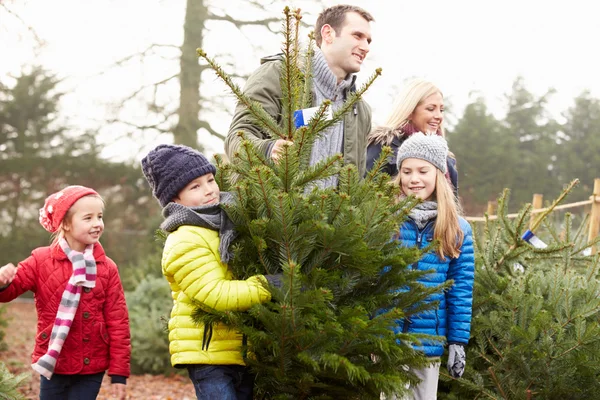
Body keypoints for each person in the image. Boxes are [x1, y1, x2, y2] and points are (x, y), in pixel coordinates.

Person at [141, 144, 279, 400]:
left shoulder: (226, 222)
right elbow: (214, 294)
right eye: (195, 186)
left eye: (210, 180)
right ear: (174, 199)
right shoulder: (185, 238)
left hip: (240, 349)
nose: (209, 190)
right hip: (208, 353)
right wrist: (267, 285)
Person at [0, 185, 130, 400]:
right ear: (66, 224)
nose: (97, 223)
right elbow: (8, 293)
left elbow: (118, 322)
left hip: (92, 364)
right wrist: (3, 282)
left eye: (99, 216)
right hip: (55, 361)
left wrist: (119, 373)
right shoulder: (40, 261)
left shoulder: (107, 268)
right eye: (88, 218)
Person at [225, 4, 374, 188]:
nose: (365, 47)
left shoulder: (360, 111)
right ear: (328, 34)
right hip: (273, 214)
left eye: (368, 40)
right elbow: (237, 137)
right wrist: (268, 150)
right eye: (357, 36)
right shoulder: (279, 75)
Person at [391, 133, 474, 399]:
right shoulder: (387, 221)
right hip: (389, 344)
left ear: (439, 173)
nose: (414, 178)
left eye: (422, 170)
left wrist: (458, 342)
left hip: (428, 346)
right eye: (407, 171)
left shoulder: (458, 229)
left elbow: (460, 291)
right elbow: (373, 281)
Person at [366, 78, 459, 196]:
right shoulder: (383, 147)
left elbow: (453, 205)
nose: (439, 116)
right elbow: (368, 197)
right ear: (410, 111)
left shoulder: (446, 159)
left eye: (441, 110)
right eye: (431, 109)